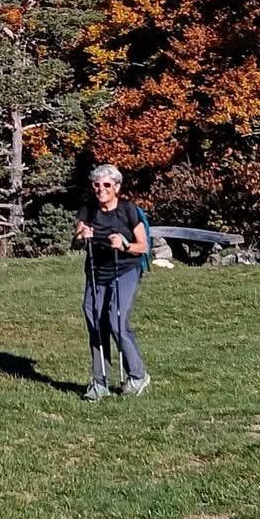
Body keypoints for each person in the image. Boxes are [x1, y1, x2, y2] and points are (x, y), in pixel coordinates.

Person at [73, 164, 150, 401]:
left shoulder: (128, 210)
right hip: (97, 272)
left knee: (117, 320)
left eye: (107, 184)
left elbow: (143, 246)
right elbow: (75, 243)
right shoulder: (88, 210)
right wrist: (81, 237)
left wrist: (125, 244)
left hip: (125, 269)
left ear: (116, 187)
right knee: (96, 323)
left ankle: (137, 376)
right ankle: (100, 382)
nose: (101, 189)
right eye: (97, 184)